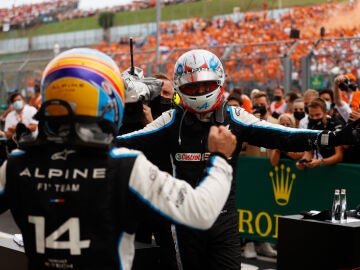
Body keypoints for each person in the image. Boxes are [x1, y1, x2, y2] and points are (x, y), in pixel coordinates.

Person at [0, 48, 237, 270]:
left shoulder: (17, 163)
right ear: (111, 102)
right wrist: (220, 158)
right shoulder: (126, 166)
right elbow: (202, 211)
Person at [116, 49, 342, 269]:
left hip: (224, 223)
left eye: (206, 84)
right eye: (193, 85)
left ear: (220, 81)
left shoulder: (235, 116)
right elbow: (123, 141)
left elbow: (284, 137)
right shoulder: (171, 119)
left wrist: (334, 137)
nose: (201, 90)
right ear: (180, 87)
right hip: (184, 222)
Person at [296, 98, 344, 170]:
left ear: (325, 113)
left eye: (317, 115)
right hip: (322, 166)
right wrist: (303, 161)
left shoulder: (334, 125)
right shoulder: (311, 125)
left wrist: (320, 162)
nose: (314, 118)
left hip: (339, 169)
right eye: (311, 116)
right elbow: (309, 152)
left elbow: (339, 156)